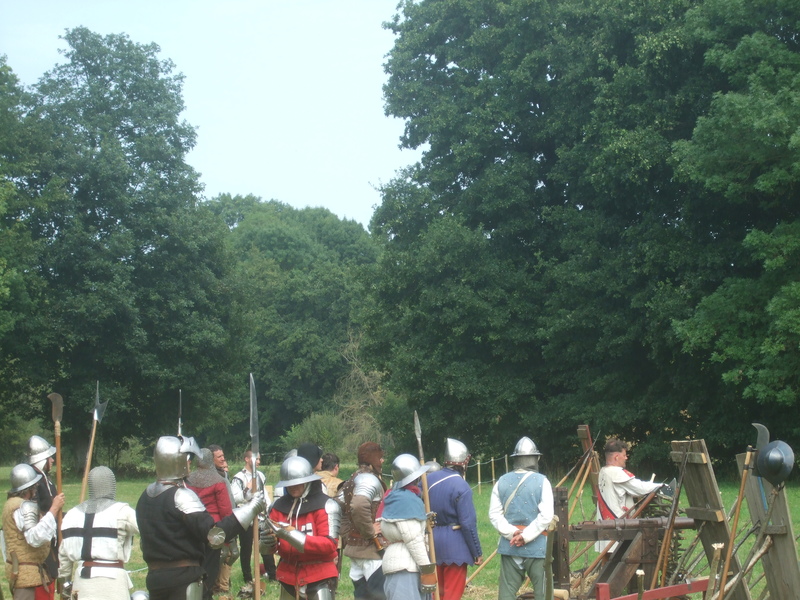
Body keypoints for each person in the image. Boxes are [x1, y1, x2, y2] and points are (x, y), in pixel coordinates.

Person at [135, 435, 265, 600]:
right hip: (183, 580)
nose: (189, 462)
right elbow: (214, 536)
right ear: (178, 462)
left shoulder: (145, 496)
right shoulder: (181, 496)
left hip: (155, 579)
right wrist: (251, 508)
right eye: (187, 458)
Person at [261, 455, 340, 600]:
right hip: (288, 575)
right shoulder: (278, 507)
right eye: (289, 483)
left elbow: (330, 544)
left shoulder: (326, 505)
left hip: (319, 574)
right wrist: (266, 542)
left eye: (298, 483)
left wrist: (291, 535)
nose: (293, 487)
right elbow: (270, 547)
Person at [58, 466, 139, 600]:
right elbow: (146, 529)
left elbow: (64, 555)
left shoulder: (72, 515)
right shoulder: (122, 511)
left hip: (82, 582)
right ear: (111, 485)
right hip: (113, 583)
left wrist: (65, 584)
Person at [488, 436, 554, 600]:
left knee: (507, 592)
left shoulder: (501, 481)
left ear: (516, 459)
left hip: (510, 544)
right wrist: (524, 536)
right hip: (537, 545)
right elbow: (546, 515)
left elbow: (494, 514)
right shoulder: (542, 481)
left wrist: (513, 534)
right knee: (543, 593)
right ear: (535, 458)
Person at [427, 439, 482, 600]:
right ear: (463, 463)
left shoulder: (428, 480)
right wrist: (476, 552)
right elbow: (468, 523)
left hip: (431, 543)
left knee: (435, 594)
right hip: (455, 547)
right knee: (451, 596)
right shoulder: (461, 486)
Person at [2, 463, 65, 600]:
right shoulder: (23, 506)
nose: (36, 490)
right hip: (26, 576)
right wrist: (54, 509)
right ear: (28, 489)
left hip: (25, 573)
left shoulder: (11, 504)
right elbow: (34, 537)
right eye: (34, 487)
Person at [378, 453, 437, 600]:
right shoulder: (406, 500)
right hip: (405, 568)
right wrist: (427, 569)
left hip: (403, 565)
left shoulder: (396, 496)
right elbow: (413, 539)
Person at [339, 442, 387, 600]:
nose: (382, 461)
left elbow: (338, 506)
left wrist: (348, 535)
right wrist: (369, 531)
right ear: (373, 460)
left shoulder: (353, 479)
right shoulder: (368, 479)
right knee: (378, 596)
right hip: (371, 551)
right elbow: (358, 505)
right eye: (380, 458)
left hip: (356, 551)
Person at [186, 449, 233, 600]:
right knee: (211, 566)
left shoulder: (189, 480)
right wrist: (228, 535)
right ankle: (206, 594)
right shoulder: (218, 481)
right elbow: (225, 510)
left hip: (193, 527)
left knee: (195, 563)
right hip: (214, 528)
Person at [231, 450, 276, 597]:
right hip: (246, 517)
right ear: (246, 459)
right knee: (246, 548)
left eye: (259, 459)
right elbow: (237, 498)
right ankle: (247, 577)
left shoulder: (261, 475)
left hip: (262, 516)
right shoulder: (238, 477)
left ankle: (272, 574)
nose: (258, 461)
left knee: (266, 544)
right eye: (256, 459)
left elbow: (264, 496)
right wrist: (248, 488)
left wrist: (269, 509)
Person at [597, 438, 664, 520]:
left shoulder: (603, 471)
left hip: (604, 521)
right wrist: (662, 486)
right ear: (617, 457)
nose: (626, 458)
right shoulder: (616, 473)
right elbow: (640, 488)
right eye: (624, 455)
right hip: (617, 524)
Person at [27, 435, 60, 591]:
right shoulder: (33, 482)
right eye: (49, 457)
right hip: (39, 543)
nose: (52, 460)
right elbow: (35, 514)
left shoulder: (46, 479)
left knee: (52, 577)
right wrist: (54, 508)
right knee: (44, 583)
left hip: (50, 541)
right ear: (41, 459)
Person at [208, 444, 237, 600]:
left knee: (232, 553)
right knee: (221, 554)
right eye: (219, 456)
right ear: (211, 459)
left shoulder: (223, 475)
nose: (223, 458)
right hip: (218, 522)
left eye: (223, 455)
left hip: (230, 517)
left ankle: (223, 585)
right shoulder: (210, 477)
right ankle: (214, 585)